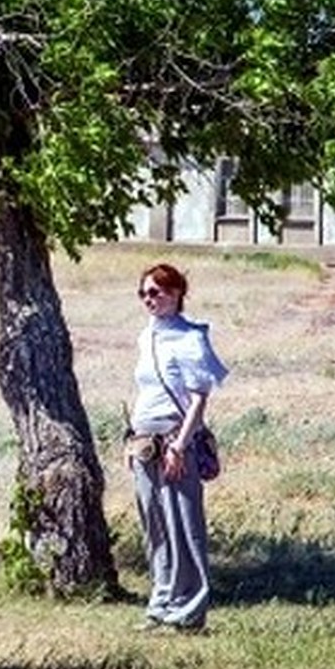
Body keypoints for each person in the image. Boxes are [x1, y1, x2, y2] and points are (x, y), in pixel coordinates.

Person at [126, 263, 228, 632]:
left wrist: (180, 445)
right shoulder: (147, 336)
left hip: (174, 438)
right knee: (154, 524)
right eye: (144, 293)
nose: (150, 299)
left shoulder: (190, 337)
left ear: (176, 293)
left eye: (157, 292)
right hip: (144, 441)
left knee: (183, 523)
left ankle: (190, 607)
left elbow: (199, 399)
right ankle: (161, 601)